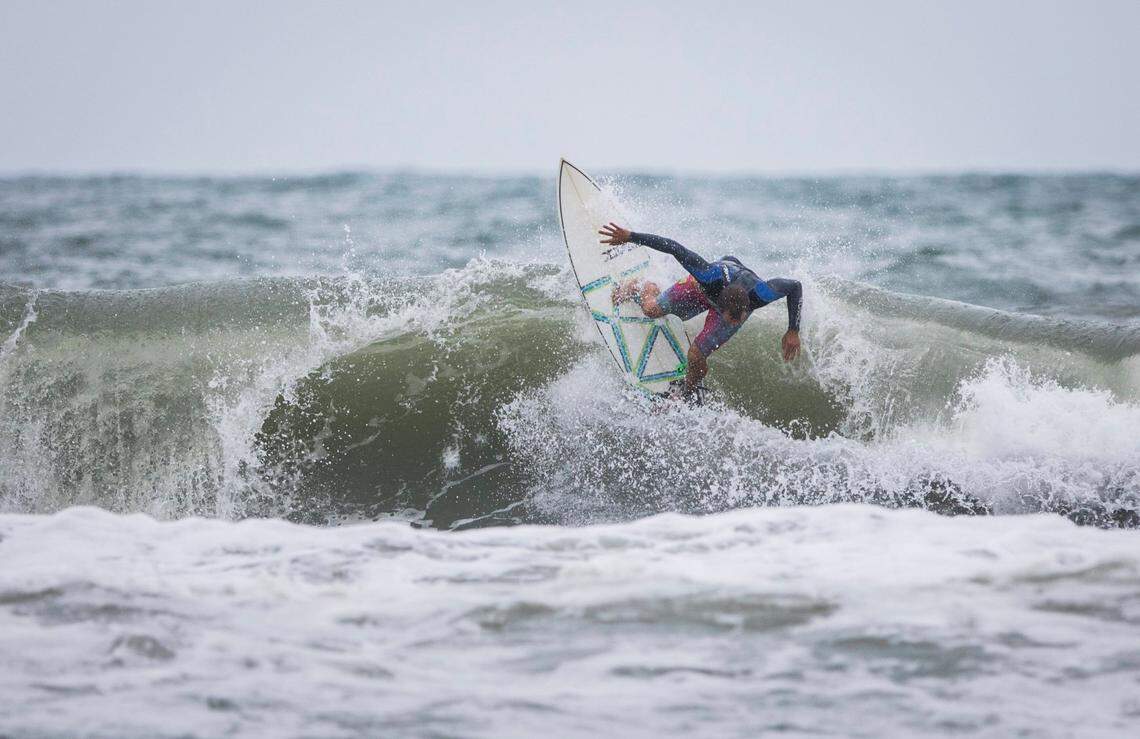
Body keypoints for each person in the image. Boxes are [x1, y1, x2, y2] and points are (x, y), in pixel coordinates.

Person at [599, 222, 802, 398]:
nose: (734, 324)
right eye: (731, 319)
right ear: (722, 310)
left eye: (738, 320)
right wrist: (631, 236)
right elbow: (674, 247)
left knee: (696, 356)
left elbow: (794, 286)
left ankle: (688, 391)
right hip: (699, 290)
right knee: (651, 310)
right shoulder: (708, 275)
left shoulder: (760, 294)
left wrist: (793, 329)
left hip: (736, 295)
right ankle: (641, 286)